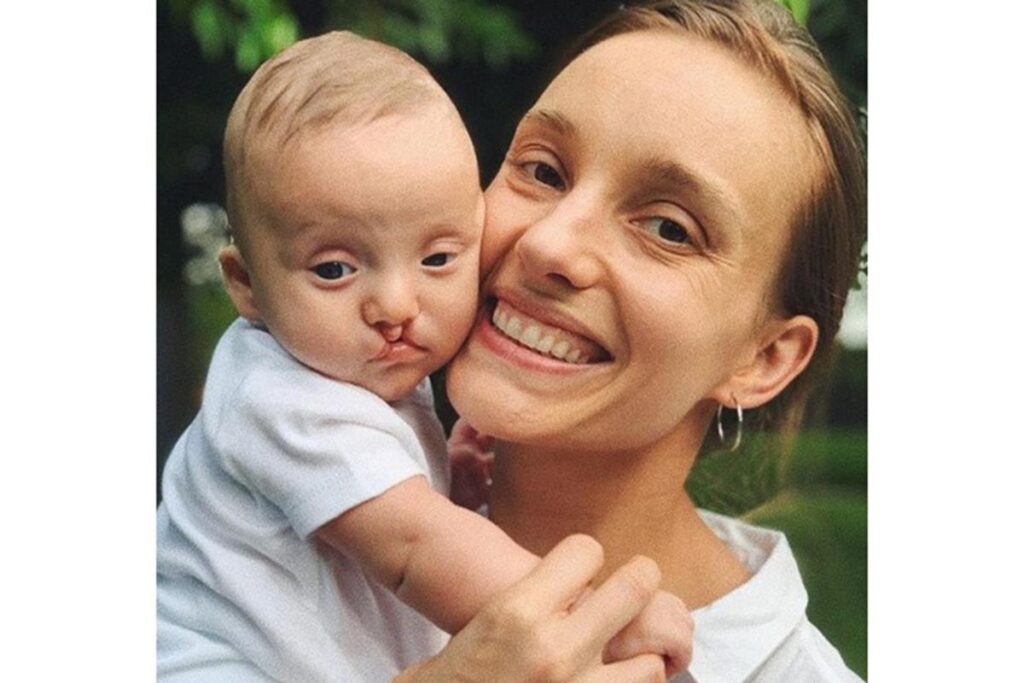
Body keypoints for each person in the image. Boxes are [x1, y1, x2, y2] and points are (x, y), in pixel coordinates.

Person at [156, 31, 692, 682]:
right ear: (246, 284)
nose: (395, 303)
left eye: (437, 258)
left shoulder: (355, 373)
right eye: (334, 268)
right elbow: (419, 547)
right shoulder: (280, 396)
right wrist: (600, 621)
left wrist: (442, 479)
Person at [401, 0, 868, 681]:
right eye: (543, 171)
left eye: (670, 228)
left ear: (764, 358)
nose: (549, 242)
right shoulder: (295, 494)